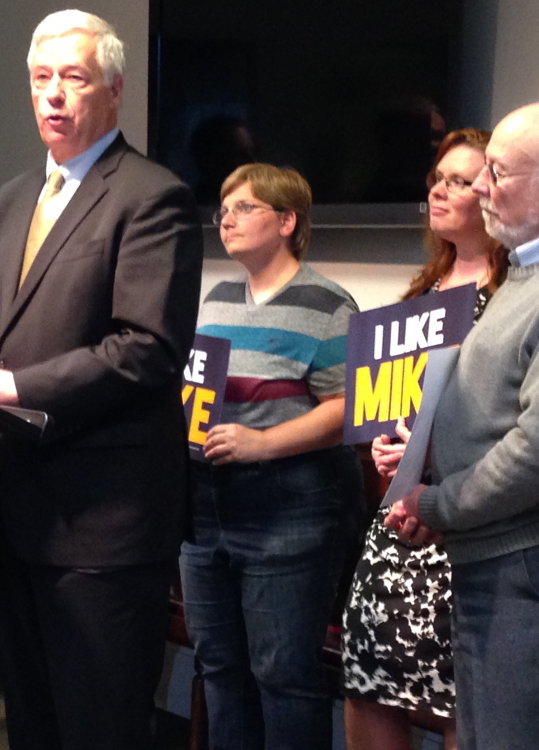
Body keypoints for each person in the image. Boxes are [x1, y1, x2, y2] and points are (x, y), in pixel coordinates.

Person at [0, 11, 202, 750]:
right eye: (41, 80)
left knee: (98, 727)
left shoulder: (152, 196)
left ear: (113, 90)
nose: (53, 96)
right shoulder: (13, 198)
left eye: (72, 78)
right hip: (19, 513)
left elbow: (147, 349)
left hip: (103, 523)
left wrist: (13, 387)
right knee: (33, 725)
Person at [180, 163, 363, 750]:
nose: (227, 219)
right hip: (206, 507)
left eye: (244, 208)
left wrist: (262, 443)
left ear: (287, 220)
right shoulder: (218, 296)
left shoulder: (329, 303)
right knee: (221, 670)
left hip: (289, 510)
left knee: (282, 677)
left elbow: (347, 409)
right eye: (224, 209)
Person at [342, 128, 506, 750]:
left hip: (463, 529)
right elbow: (391, 404)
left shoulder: (513, 296)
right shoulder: (421, 292)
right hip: (394, 529)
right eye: (436, 179)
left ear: (490, 192)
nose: (440, 190)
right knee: (368, 683)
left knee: (463, 700)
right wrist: (386, 446)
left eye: (458, 180)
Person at [385, 102, 539, 750]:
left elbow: (533, 449)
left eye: (496, 174)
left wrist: (439, 502)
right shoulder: (522, 274)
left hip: (517, 564)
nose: (479, 189)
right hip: (484, 551)